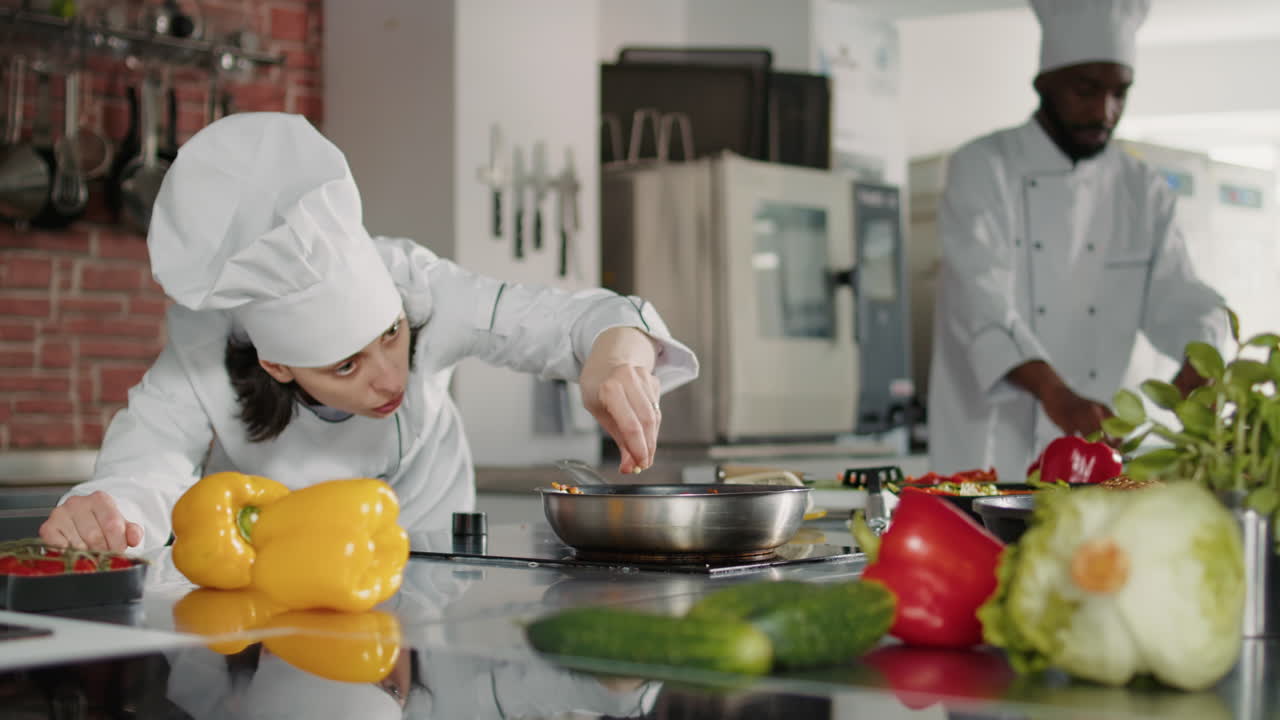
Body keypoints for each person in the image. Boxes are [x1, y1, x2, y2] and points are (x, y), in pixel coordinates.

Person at [38, 112, 698, 552]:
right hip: (272, 581)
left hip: (436, 558)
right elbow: (147, 462)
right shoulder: (206, 347)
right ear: (277, 366)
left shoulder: (416, 286)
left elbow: (574, 320)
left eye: (390, 334)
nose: (389, 378)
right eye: (345, 366)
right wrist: (108, 512)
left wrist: (618, 354)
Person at [927, 0, 1227, 482]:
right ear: (1044, 83)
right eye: (1086, 90)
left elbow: (1179, 293)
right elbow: (979, 300)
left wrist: (1202, 350)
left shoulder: (1142, 190)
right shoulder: (983, 167)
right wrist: (1055, 392)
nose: (1104, 111)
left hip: (1095, 456)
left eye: (1119, 93)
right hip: (991, 450)